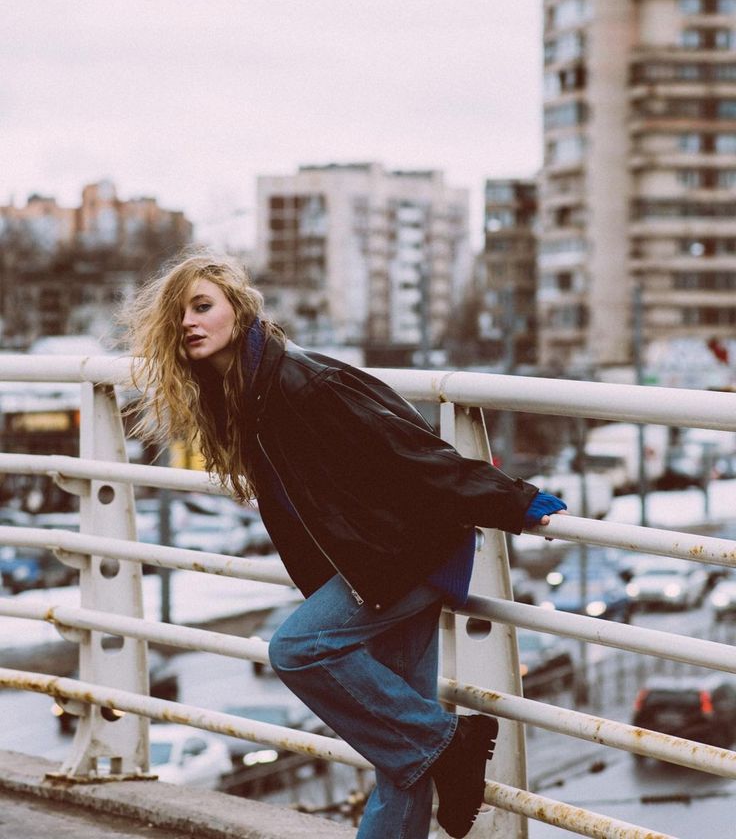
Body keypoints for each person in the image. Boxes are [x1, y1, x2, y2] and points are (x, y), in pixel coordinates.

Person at [125, 249, 566, 839]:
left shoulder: (299, 381)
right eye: (179, 315)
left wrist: (510, 499)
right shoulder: (244, 394)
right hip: (381, 559)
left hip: (406, 555)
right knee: (400, 763)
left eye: (203, 306)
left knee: (298, 649)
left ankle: (450, 744)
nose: (188, 323)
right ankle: (441, 752)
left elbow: (406, 445)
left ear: (240, 310)